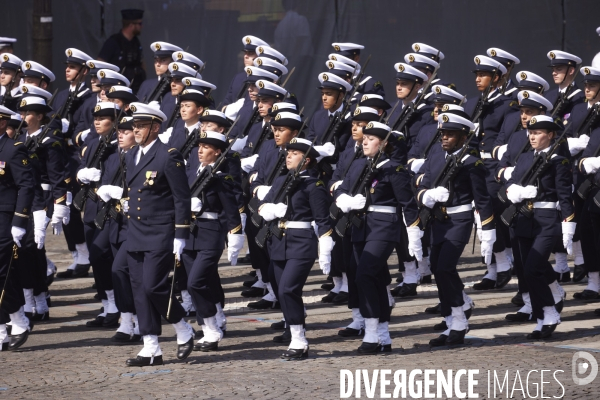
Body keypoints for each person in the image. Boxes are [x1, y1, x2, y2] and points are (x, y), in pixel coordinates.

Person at [335, 121, 422, 354]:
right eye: (365, 137)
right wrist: (345, 200)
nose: (364, 141)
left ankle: (372, 334)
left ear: (383, 144)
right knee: (372, 278)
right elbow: (341, 188)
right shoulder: (358, 165)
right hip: (359, 227)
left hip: (384, 228)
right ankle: (383, 336)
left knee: (365, 275)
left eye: (371, 138)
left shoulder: (394, 169)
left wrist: (414, 233)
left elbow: (408, 204)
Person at [124, 102, 194, 367]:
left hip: (160, 232)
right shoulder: (131, 155)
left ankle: (182, 326)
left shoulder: (168, 155)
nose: (136, 130)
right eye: (134, 126)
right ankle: (150, 347)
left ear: (155, 127)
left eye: (141, 126)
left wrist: (181, 233)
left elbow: (181, 197)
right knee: (140, 290)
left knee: (154, 285)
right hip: (135, 231)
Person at [416, 113, 495, 347]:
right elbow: (421, 183)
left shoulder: (472, 163)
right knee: (438, 269)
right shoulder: (436, 155)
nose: (445, 138)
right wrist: (426, 195)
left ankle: (460, 321)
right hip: (438, 219)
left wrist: (488, 230)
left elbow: (482, 199)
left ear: (463, 136)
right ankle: (452, 318)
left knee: (445, 267)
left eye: (450, 134)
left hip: (459, 219)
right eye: (442, 133)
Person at [257, 137, 332, 360]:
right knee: (284, 291)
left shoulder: (314, 186)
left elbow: (322, 219)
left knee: (287, 289)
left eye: (294, 153)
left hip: (301, 242)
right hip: (278, 241)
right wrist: (268, 210)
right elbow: (262, 205)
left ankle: (299, 340)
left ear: (307, 160)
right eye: (288, 152)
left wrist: (326, 246)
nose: (288, 155)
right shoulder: (282, 180)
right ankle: (294, 332)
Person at [504, 115, 573, 340]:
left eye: (538, 133)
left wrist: (568, 223)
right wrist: (513, 192)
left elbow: (565, 194)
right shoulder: (524, 158)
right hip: (524, 218)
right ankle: (542, 316)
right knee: (528, 269)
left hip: (546, 219)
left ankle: (550, 313)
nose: (532, 136)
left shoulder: (558, 160)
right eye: (531, 133)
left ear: (551, 135)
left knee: (534, 267)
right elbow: (508, 183)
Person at [184, 130, 243, 351]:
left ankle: (213, 327)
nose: (200, 150)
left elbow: (231, 209)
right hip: (189, 235)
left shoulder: (221, 179)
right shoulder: (190, 174)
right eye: (199, 146)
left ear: (217, 152)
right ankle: (209, 328)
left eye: (206, 147)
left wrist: (235, 234)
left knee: (195, 282)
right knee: (198, 284)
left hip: (210, 235)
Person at [464, 55, 513, 291]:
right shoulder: (473, 103)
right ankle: (492, 269)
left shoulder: (506, 103)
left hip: (493, 167)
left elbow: (507, 136)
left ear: (496, 77)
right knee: (480, 217)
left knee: (492, 211)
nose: (478, 79)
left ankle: (504, 264)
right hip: (476, 167)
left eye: (483, 75)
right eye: (476, 74)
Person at [95, 116, 142, 343]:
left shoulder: (140, 157)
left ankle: (137, 320)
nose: (120, 135)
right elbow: (103, 182)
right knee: (119, 272)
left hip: (135, 224)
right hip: (115, 222)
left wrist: (123, 194)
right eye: (119, 132)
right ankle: (127, 319)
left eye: (126, 131)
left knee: (122, 270)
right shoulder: (114, 157)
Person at [76, 102, 121, 329]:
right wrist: (81, 174)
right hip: (92, 209)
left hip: (111, 210)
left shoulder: (119, 147)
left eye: (103, 118)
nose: (97, 121)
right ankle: (108, 305)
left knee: (102, 253)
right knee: (96, 258)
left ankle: (118, 305)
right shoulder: (93, 144)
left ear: (113, 121)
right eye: (95, 117)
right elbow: (82, 168)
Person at [0, 104, 35, 351]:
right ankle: (16, 318)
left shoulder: (13, 149)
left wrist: (19, 221)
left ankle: (10, 323)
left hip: (5, 219)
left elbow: (26, 186)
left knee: (1, 272)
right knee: (3, 275)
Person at [98, 9, 146, 93]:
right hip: (117, 89)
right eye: (140, 23)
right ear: (131, 25)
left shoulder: (136, 42)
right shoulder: (113, 42)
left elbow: (142, 63)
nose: (141, 26)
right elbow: (99, 62)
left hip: (135, 88)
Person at [221, 35, 270, 108]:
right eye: (245, 53)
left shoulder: (267, 79)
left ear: (260, 57)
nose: (245, 56)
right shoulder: (238, 78)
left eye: (250, 53)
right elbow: (226, 103)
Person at [544, 50, 584, 122]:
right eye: (553, 69)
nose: (554, 73)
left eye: (559, 69)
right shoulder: (548, 96)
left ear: (571, 71)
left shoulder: (580, 98)